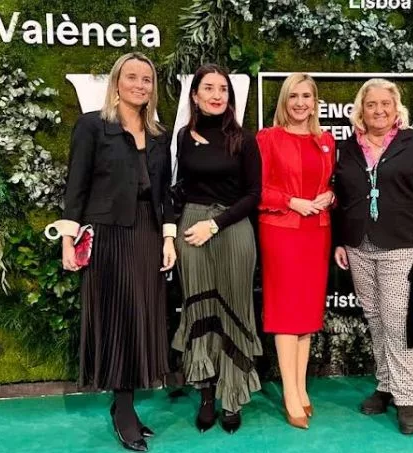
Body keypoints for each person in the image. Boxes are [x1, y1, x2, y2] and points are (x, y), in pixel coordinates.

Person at [55, 52, 176, 452]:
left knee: (141, 318)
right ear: (117, 83)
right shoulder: (92, 125)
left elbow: (165, 192)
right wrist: (69, 238)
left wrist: (168, 238)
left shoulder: (159, 134)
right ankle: (123, 409)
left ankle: (126, 404)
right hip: (107, 235)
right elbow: (76, 185)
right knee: (118, 319)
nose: (140, 85)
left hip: (146, 234)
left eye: (147, 79)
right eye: (132, 77)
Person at [333, 78, 413, 435]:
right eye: (371, 104)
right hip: (358, 245)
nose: (379, 110)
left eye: (386, 103)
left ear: (397, 108)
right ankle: (385, 384)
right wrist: (339, 241)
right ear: (361, 109)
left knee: (398, 321)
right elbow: (343, 198)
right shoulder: (348, 147)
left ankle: (406, 397)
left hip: (401, 245)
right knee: (375, 318)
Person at [169, 63, 262, 434]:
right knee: (200, 309)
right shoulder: (183, 136)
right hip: (191, 229)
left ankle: (233, 396)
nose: (216, 95)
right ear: (195, 95)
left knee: (235, 309)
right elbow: (180, 187)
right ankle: (207, 395)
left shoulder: (244, 139)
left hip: (232, 227)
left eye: (223, 88)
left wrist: (216, 224)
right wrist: (174, 228)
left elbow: (253, 194)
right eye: (208, 88)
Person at [256, 73, 336, 430]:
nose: (300, 103)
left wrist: (331, 195)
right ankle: (290, 392)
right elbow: (256, 189)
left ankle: (302, 388)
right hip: (281, 231)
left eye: (306, 96)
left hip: (317, 231)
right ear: (284, 101)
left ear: (315, 102)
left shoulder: (326, 140)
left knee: (306, 314)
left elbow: (333, 184)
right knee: (287, 313)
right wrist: (291, 201)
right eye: (293, 96)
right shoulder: (268, 138)